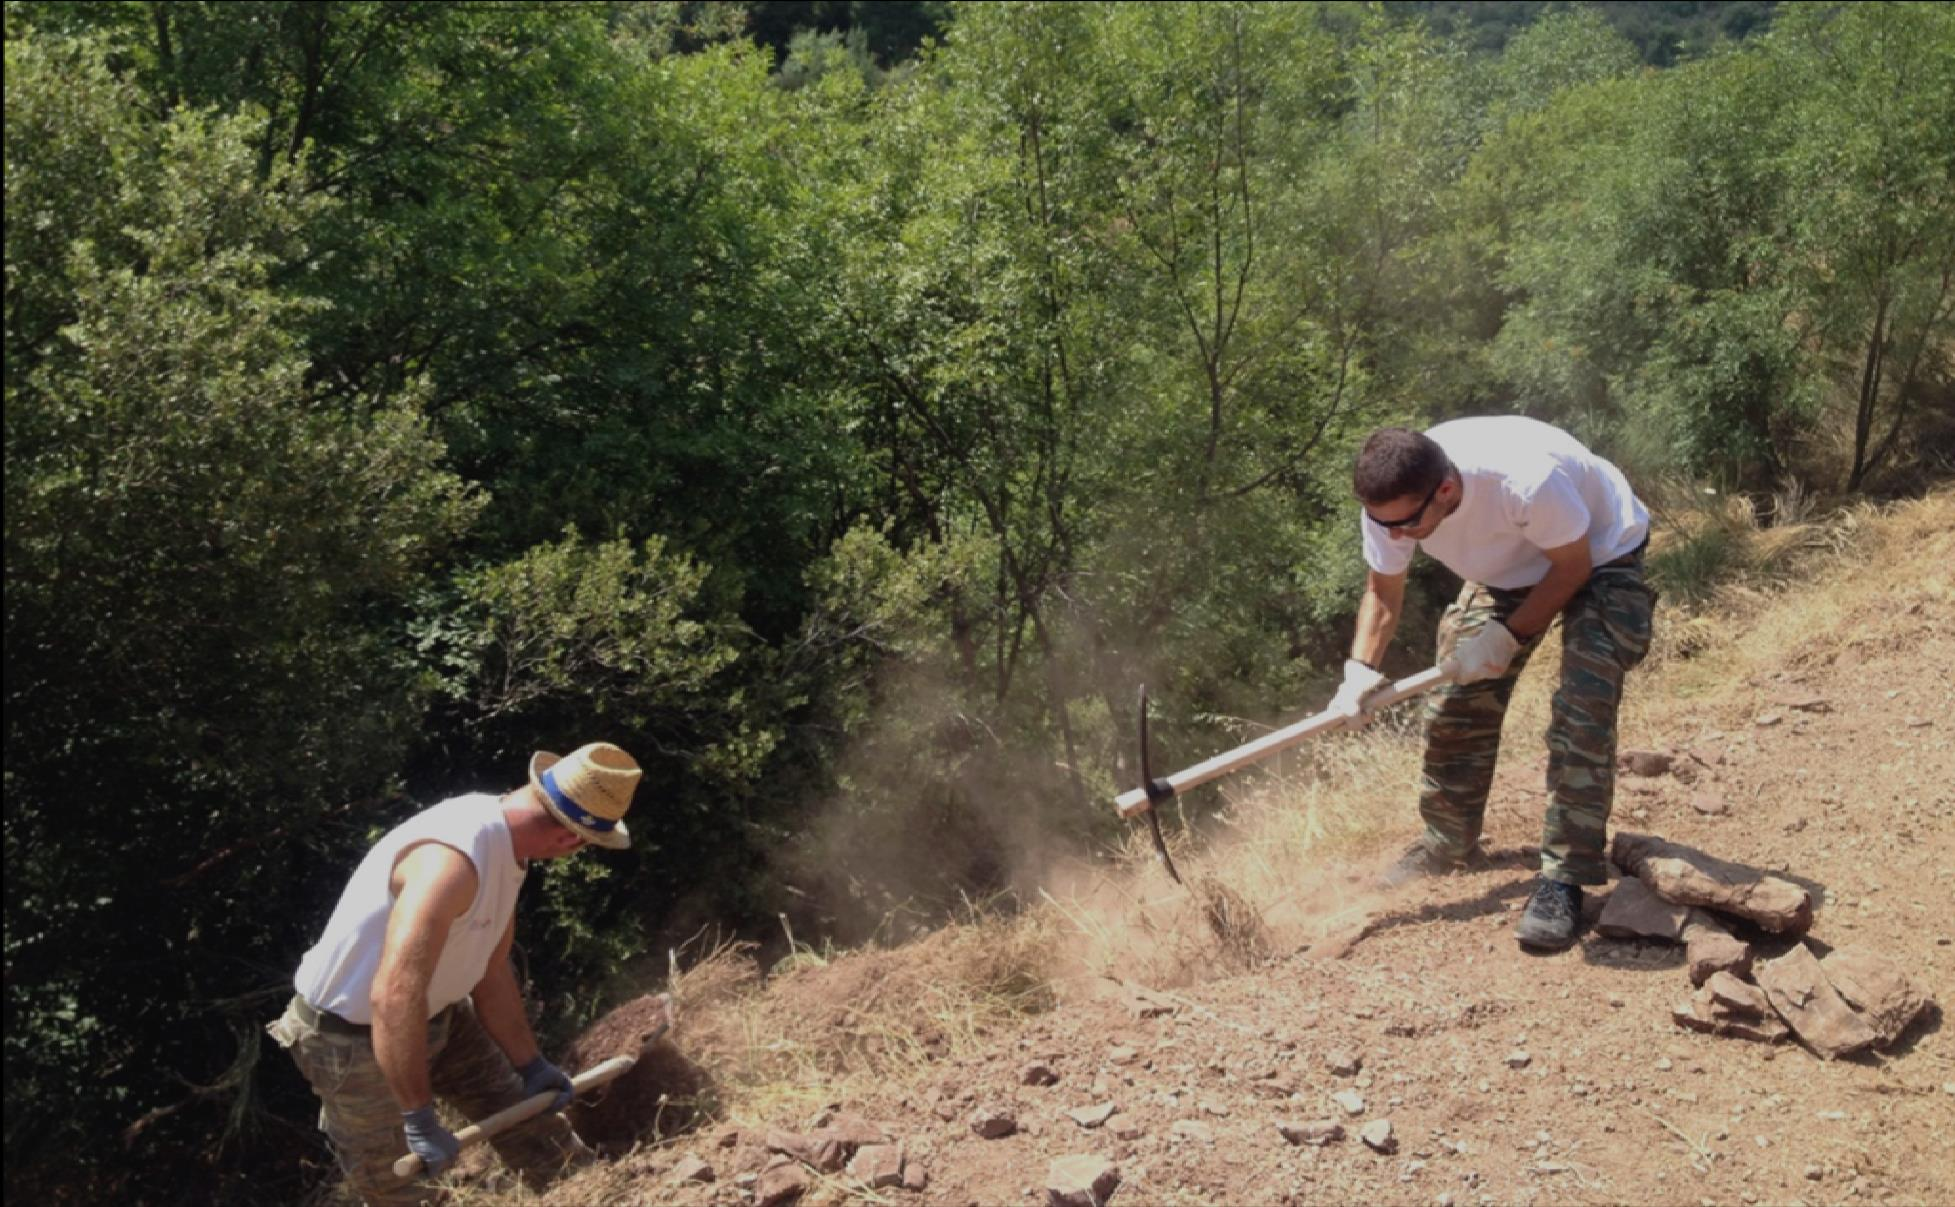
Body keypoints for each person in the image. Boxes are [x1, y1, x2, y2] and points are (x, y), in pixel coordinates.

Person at [267, 741, 642, 1205]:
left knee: (537, 1131)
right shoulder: (453, 862)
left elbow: (489, 968)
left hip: (438, 1015)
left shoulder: (510, 847)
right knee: (399, 1190)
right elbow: (394, 996)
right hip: (349, 1041)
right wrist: (418, 1116)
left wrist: (531, 1064)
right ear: (572, 838)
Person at [1328, 418, 1655, 950]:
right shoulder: (1391, 504)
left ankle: (1565, 877)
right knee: (1455, 706)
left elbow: (1570, 569)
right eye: (1380, 523)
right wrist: (1359, 671)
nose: (1393, 535)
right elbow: (1384, 593)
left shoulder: (1526, 481)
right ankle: (1447, 842)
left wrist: (1508, 637)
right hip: (1510, 571)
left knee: (1581, 709)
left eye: (1406, 524)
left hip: (1598, 554)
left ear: (1447, 491)